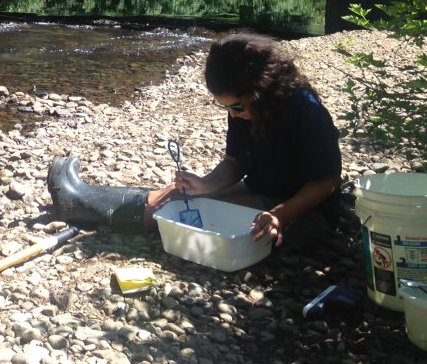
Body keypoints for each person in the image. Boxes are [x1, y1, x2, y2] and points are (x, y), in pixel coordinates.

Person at [47, 32, 342, 247]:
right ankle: (80, 199)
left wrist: (279, 215)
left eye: (236, 107)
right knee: (181, 198)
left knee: (180, 209)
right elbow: (234, 163)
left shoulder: (305, 110)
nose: (233, 114)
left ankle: (79, 203)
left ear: (259, 89)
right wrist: (207, 185)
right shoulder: (246, 107)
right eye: (225, 107)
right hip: (264, 195)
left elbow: (324, 183)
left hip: (304, 213)